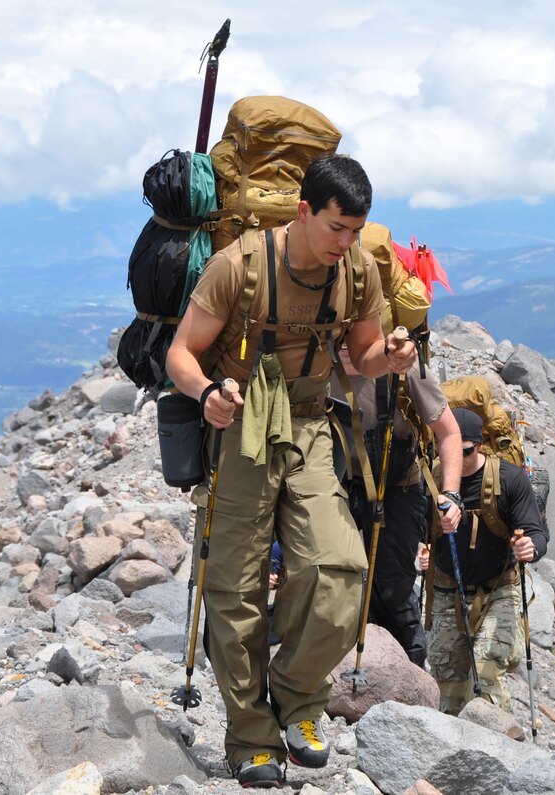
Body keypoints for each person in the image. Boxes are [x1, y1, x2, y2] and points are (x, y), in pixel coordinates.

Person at [166, 155, 416, 788]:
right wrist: (206, 396)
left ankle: (299, 698)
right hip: (243, 422)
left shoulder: (355, 273)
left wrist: (387, 357)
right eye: (337, 228)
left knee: (341, 567)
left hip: (308, 425)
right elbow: (181, 355)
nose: (347, 243)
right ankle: (249, 734)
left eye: (356, 231)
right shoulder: (239, 267)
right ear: (304, 211)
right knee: (236, 587)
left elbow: (358, 356)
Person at [332, 348, 463, 666]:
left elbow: (449, 432)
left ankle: (409, 671)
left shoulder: (403, 364)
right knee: (336, 580)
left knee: (393, 586)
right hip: (339, 488)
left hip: (398, 488)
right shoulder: (311, 357)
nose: (349, 344)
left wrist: (452, 495)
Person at [421, 407, 548, 715]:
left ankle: (497, 749)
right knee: (447, 690)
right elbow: (417, 528)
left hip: (499, 591)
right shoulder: (431, 478)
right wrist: (419, 550)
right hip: (447, 590)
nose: (453, 459)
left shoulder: (510, 479)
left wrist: (532, 548)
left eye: (462, 452)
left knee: (486, 675)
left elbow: (536, 532)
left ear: (478, 446)